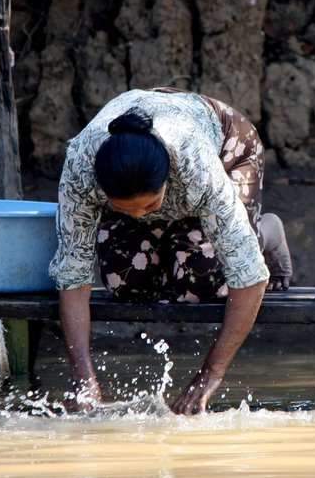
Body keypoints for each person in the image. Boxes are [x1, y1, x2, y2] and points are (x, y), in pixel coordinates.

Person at [49, 87, 292, 414]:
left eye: (149, 204)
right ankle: (175, 231)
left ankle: (266, 232)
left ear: (169, 182)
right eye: (125, 209)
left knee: (202, 283)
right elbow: (73, 276)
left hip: (229, 148)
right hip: (153, 177)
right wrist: (84, 382)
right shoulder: (81, 169)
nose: (139, 215)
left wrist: (209, 377)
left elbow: (248, 278)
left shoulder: (195, 165)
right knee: (127, 285)